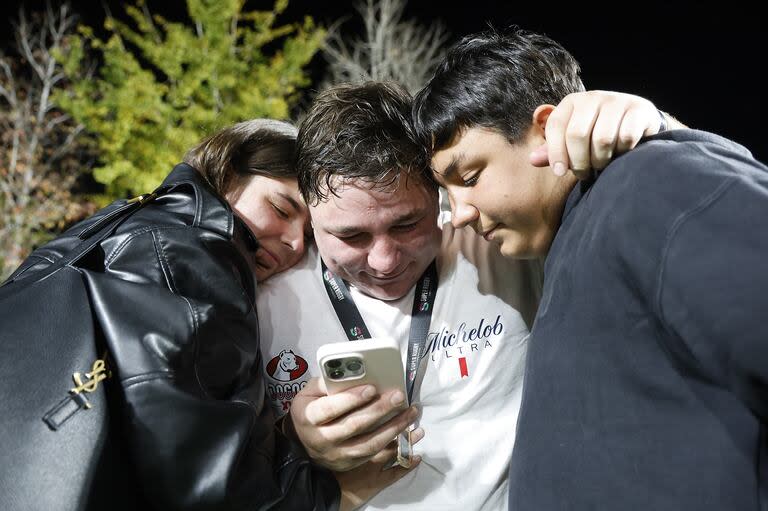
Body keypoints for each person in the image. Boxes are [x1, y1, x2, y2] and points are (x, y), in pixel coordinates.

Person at [256, 83, 678, 509]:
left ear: (438, 192)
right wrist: (294, 442)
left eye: (406, 225)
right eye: (352, 236)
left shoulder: (499, 243)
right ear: (310, 214)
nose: (384, 261)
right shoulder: (265, 302)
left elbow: (668, 222)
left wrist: (650, 125)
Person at [412, 28, 767, 510]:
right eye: (447, 193)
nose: (460, 212)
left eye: (470, 177)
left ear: (545, 129)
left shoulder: (647, 185)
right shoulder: (574, 235)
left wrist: (663, 129)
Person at [4, 119, 338, 509]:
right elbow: (215, 486)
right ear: (228, 171)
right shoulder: (195, 258)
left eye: (311, 235)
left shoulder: (126, 221)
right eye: (281, 208)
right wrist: (336, 493)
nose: (295, 244)